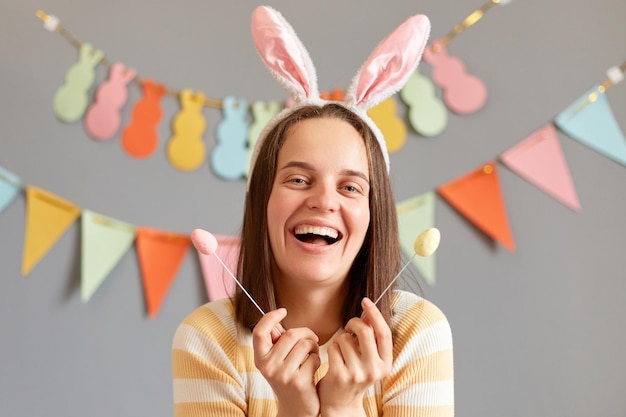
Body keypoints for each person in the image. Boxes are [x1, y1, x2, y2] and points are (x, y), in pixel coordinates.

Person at [172, 6, 453, 417]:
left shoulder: (416, 334)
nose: (324, 201)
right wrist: (294, 410)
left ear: (373, 214)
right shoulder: (208, 339)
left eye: (350, 186)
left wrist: (342, 408)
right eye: (298, 180)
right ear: (261, 203)